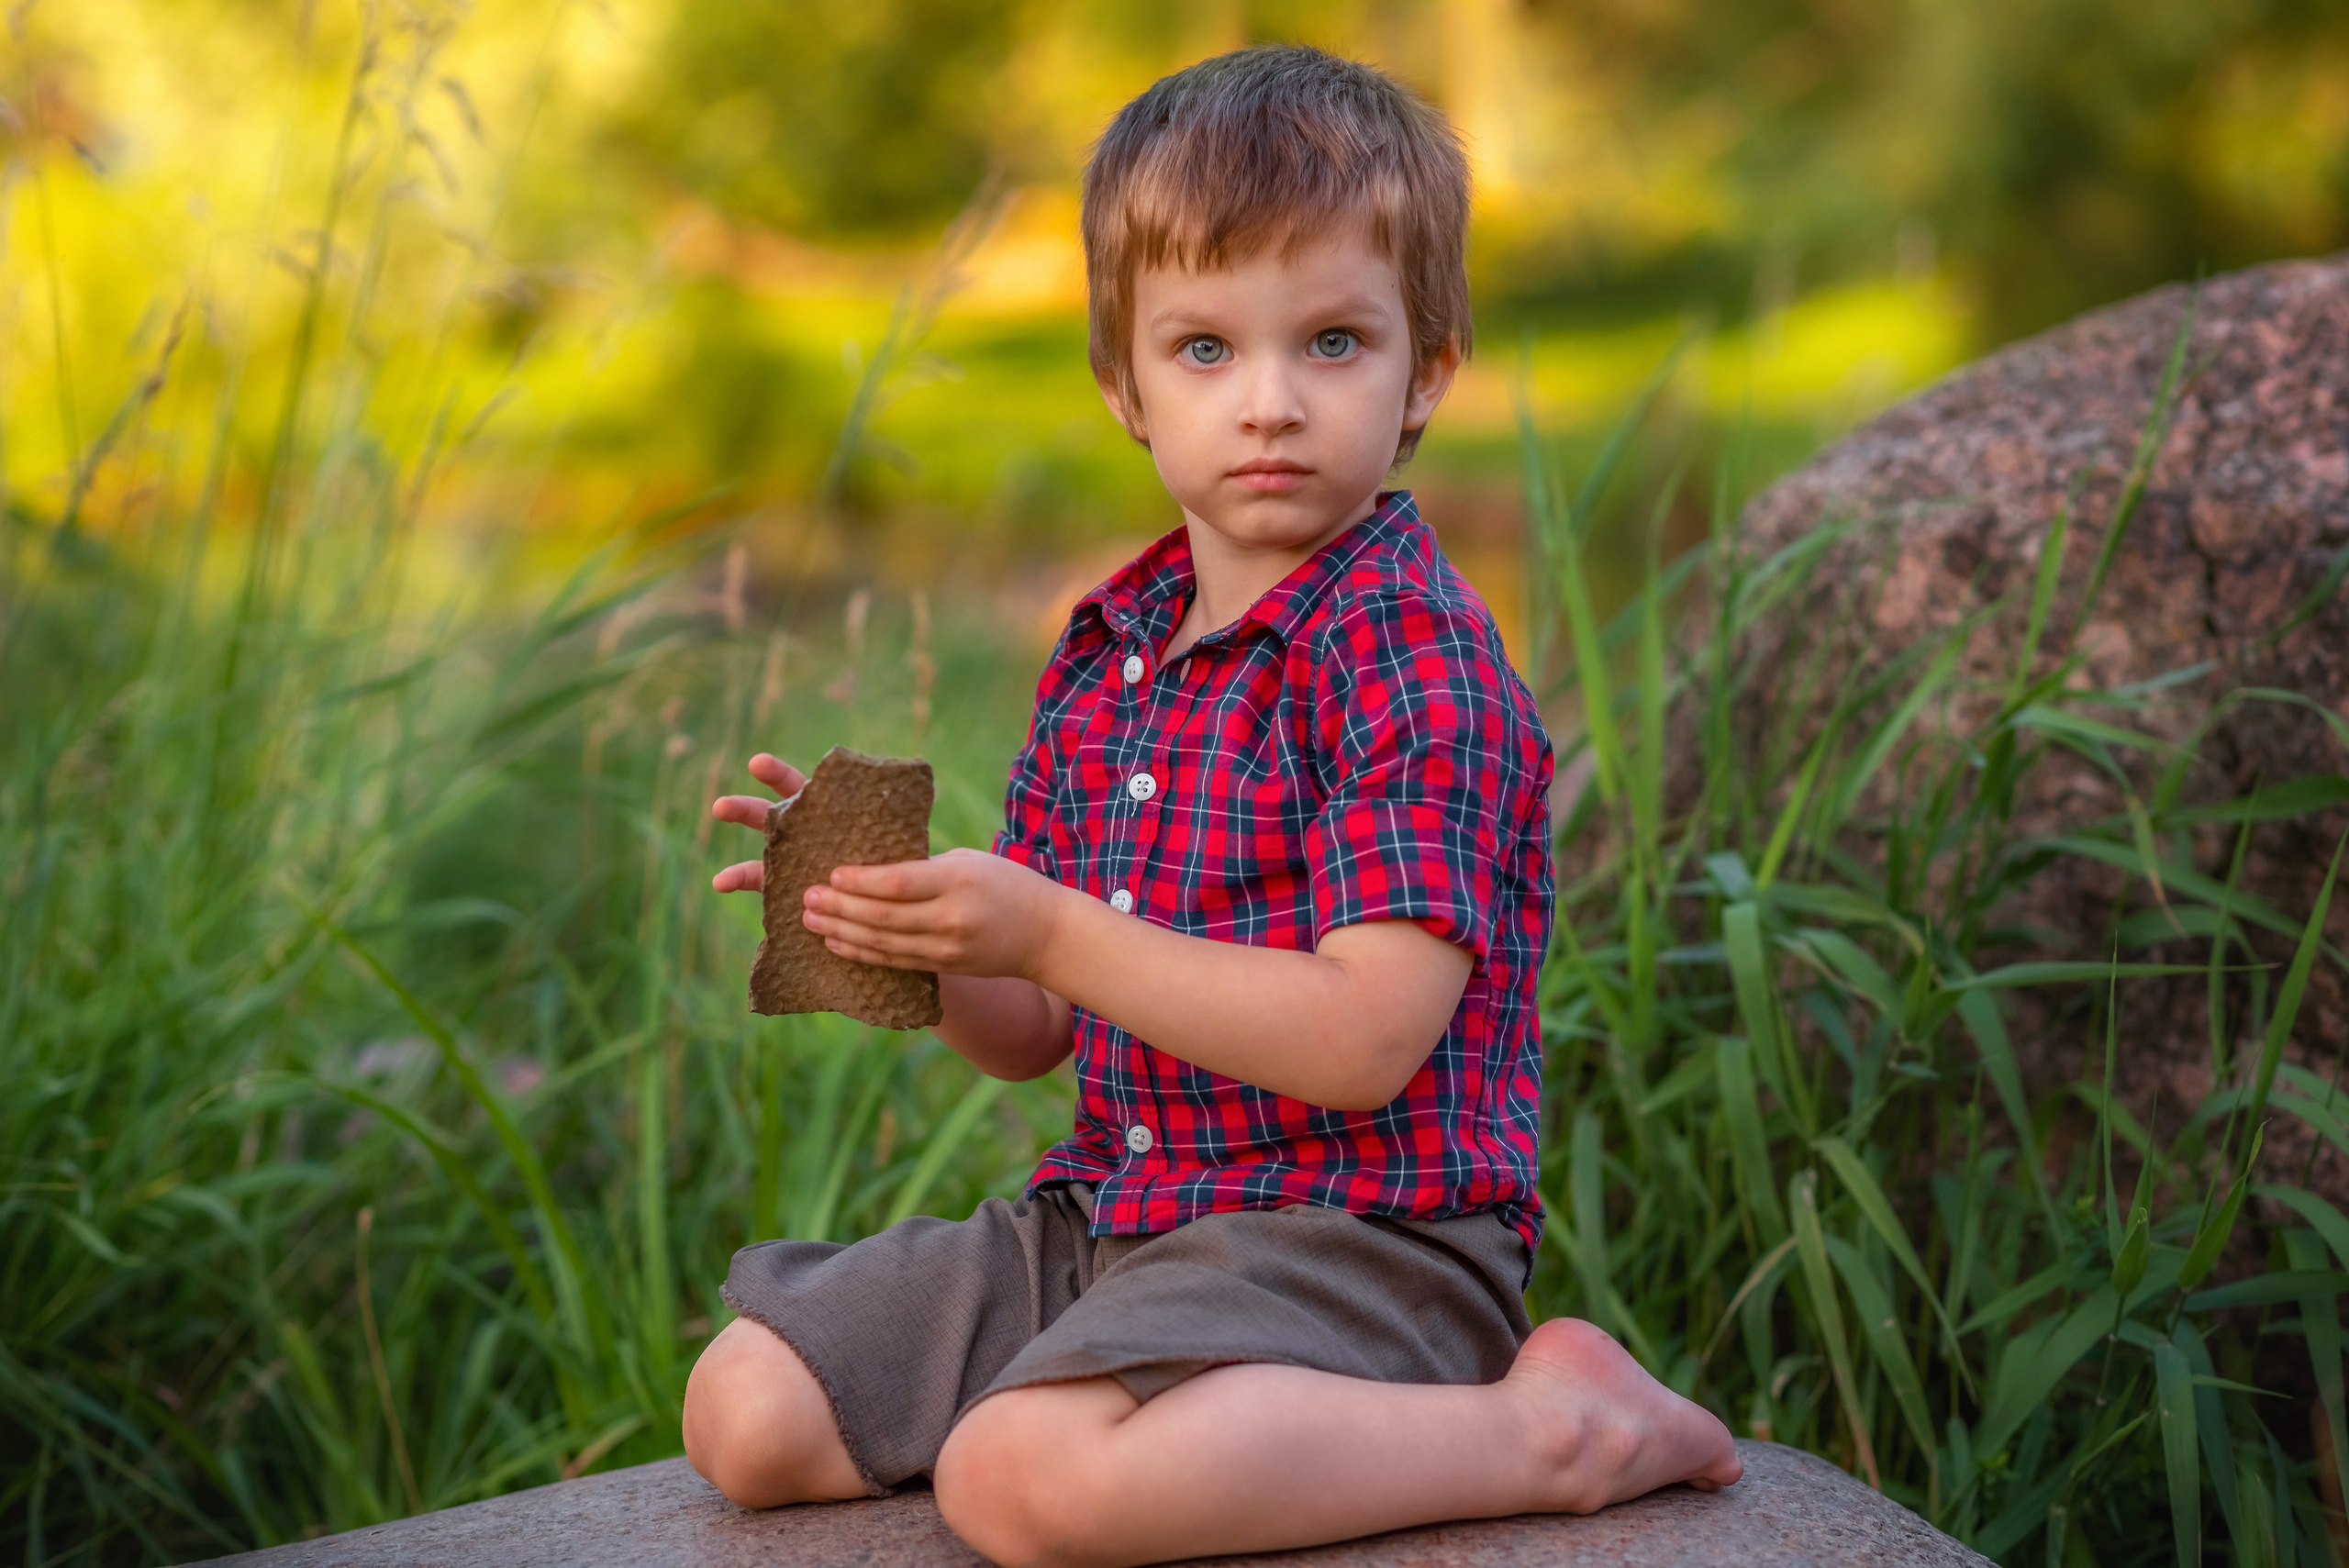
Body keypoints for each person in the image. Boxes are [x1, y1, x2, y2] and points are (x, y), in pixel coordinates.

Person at [685, 43, 1741, 1568]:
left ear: (1427, 363)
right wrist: (918, 929)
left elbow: (1363, 1042)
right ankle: (1144, 1390)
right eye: (1202, 350)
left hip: (1361, 1236)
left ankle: (1551, 1424)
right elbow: (1028, 1034)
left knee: (1022, 1481)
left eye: (1330, 342)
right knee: (750, 1412)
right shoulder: (1113, 649)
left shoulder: (1413, 659)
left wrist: (1049, 925)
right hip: (1122, 1211)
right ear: (1121, 378)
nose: (1267, 405)